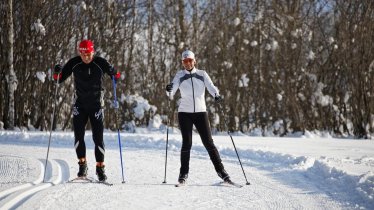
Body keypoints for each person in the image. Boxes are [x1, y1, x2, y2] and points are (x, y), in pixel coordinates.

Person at [53, 39, 120, 181]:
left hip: (96, 105)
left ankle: (100, 168)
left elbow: (117, 77)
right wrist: (57, 72)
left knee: (98, 138)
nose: (86, 57)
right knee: (78, 137)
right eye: (83, 54)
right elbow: (58, 80)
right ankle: (82, 165)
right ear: (79, 53)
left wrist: (115, 73)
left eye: (88, 54)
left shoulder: (100, 62)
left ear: (92, 51)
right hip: (80, 105)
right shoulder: (74, 62)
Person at [166, 50, 231, 185]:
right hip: (184, 113)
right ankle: (183, 174)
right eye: (185, 61)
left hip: (201, 112)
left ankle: (222, 172)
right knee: (187, 143)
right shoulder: (180, 75)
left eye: (190, 60)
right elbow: (172, 92)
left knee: (209, 143)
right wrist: (168, 90)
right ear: (182, 63)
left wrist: (216, 95)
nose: (187, 63)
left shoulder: (202, 74)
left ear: (194, 61)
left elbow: (211, 87)